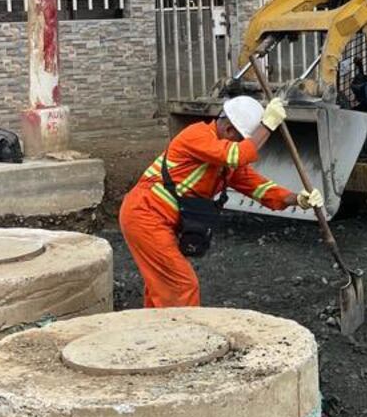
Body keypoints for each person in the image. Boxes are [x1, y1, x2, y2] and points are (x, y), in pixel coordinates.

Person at [120, 95, 323, 309]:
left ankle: (155, 334)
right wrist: (268, 126)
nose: (248, 146)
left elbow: (260, 188)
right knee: (181, 286)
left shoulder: (225, 164)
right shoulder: (197, 136)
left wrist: (297, 199)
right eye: (244, 139)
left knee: (163, 285)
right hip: (145, 215)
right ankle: (182, 338)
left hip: (158, 218)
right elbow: (236, 156)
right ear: (228, 131)